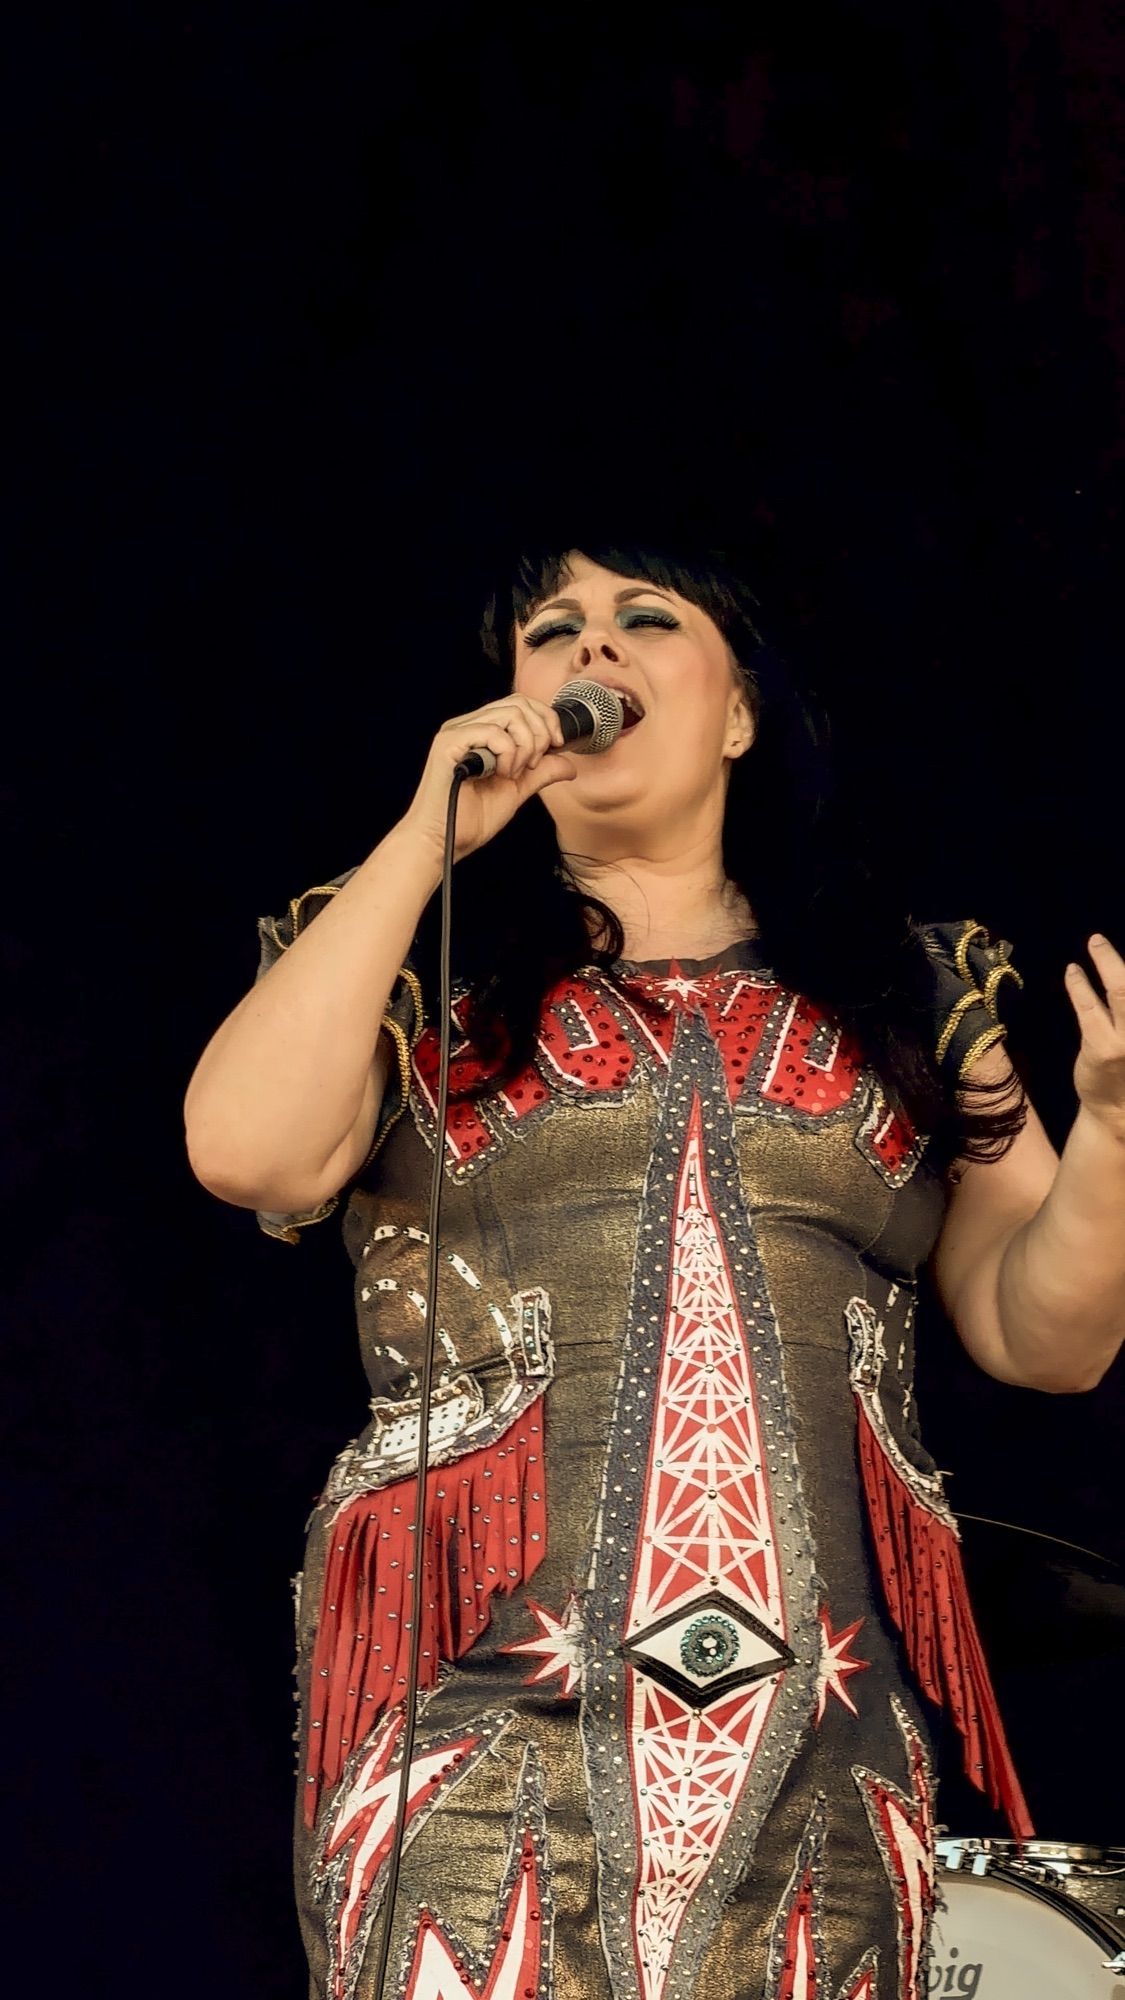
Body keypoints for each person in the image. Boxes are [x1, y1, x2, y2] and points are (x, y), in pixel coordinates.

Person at [185, 546, 1125, 2000]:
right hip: (472, 1724)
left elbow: (1043, 1336)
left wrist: (1112, 1139)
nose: (592, 652)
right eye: (551, 631)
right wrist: (430, 840)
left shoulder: (908, 990)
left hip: (822, 1739)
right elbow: (252, 1153)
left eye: (644, 620)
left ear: (738, 712)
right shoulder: (411, 960)